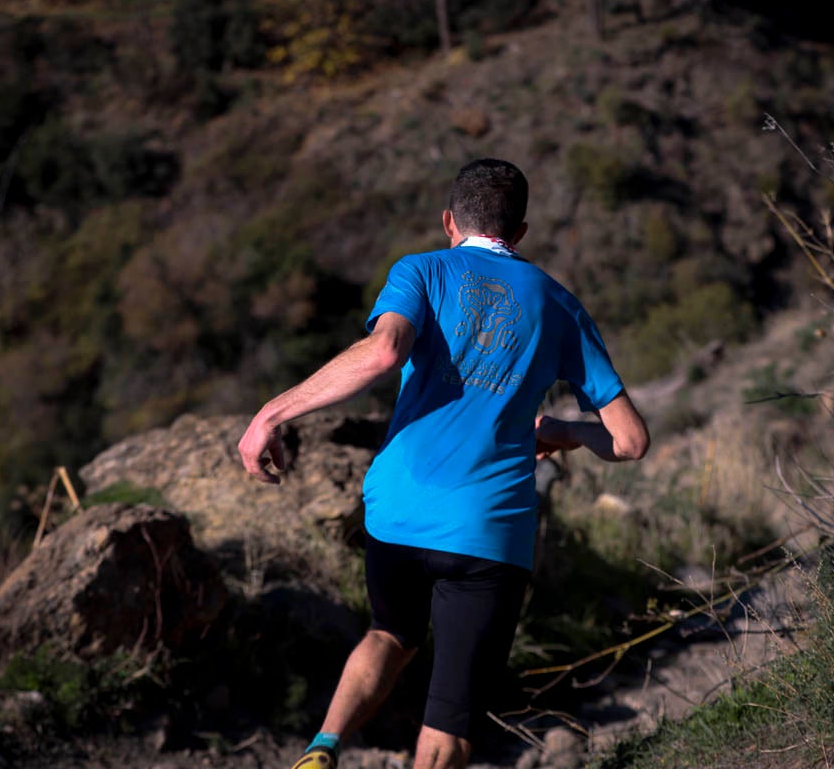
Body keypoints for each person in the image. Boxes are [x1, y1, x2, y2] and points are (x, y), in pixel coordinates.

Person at [238, 158, 649, 769]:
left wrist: (272, 412)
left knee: (390, 634)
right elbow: (630, 441)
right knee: (448, 721)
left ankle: (323, 748)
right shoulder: (559, 305)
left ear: (449, 220)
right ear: (522, 232)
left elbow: (382, 353)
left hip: (398, 511)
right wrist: (561, 431)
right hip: (489, 531)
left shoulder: (423, 270)